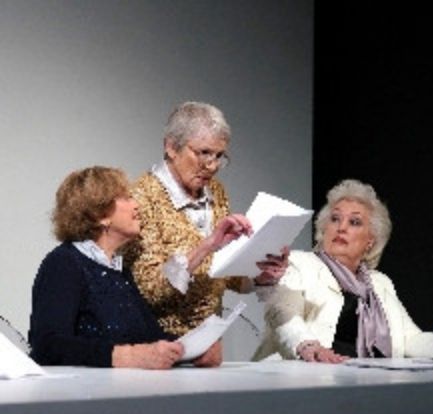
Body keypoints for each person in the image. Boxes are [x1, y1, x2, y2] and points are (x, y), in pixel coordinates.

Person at [126, 101, 288, 366]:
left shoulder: (215, 193)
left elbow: (221, 274)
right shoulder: (141, 198)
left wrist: (261, 274)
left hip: (206, 351)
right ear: (171, 147)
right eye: (203, 153)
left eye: (219, 156)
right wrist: (207, 245)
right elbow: (150, 289)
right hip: (156, 349)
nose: (211, 166)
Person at [253, 179, 433, 362]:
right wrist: (307, 347)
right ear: (323, 229)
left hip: (365, 381)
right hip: (305, 379)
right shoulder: (299, 263)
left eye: (354, 222)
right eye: (335, 219)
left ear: (370, 241)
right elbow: (281, 313)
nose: (341, 227)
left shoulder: (379, 282)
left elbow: (407, 339)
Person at [29, 166, 193, 369]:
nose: (137, 205)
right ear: (100, 214)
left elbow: (151, 336)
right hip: (85, 388)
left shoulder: (119, 271)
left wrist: (191, 349)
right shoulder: (64, 263)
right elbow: (47, 345)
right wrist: (125, 356)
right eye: (126, 198)